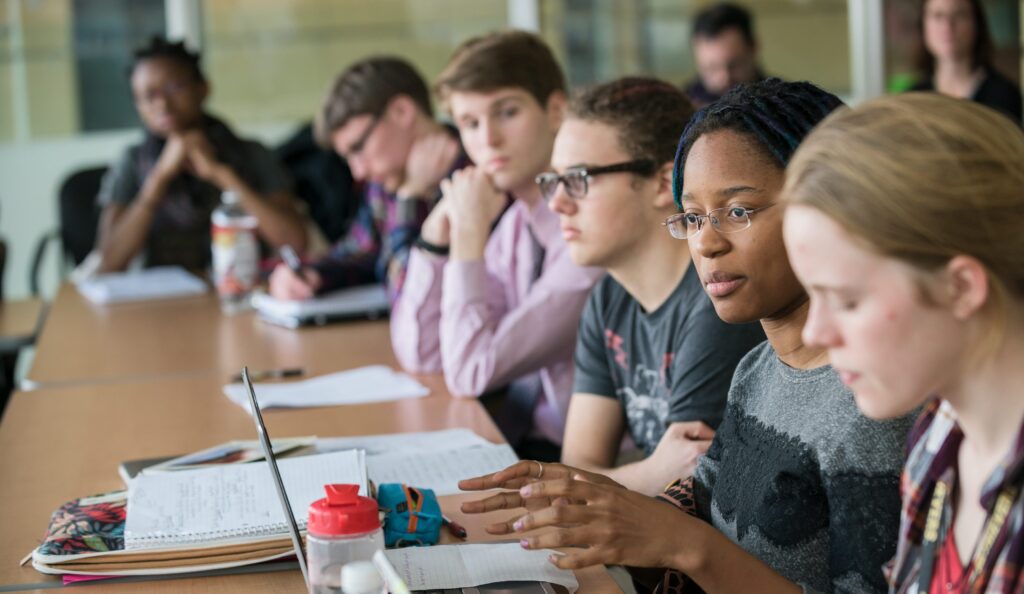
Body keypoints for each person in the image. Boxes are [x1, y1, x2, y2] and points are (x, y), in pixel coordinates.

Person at [459, 79, 916, 594]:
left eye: (737, 212)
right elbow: (697, 505)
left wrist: (682, 544)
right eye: (693, 217)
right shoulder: (759, 368)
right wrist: (575, 500)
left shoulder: (873, 405)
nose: (707, 241)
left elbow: (692, 541)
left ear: (826, 208)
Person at [782, 93, 1024, 594]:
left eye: (846, 299)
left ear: (960, 288)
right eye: (812, 296)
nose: (814, 333)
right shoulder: (938, 434)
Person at [390, 31, 603, 461]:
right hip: (526, 446)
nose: (487, 139)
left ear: (556, 110)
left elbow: (470, 371)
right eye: (469, 123)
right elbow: (424, 353)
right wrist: (435, 239)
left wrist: (468, 238)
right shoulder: (513, 226)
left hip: (592, 465)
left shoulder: (588, 227)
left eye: (506, 112)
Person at [547, 76, 764, 496]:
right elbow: (577, 467)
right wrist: (646, 474)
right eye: (553, 181)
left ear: (665, 185)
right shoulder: (608, 299)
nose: (557, 202)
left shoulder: (717, 296)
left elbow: (684, 483)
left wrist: (648, 477)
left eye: (578, 178)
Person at [97, 37, 307, 273]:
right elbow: (109, 261)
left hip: (241, 289)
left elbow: (295, 242)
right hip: (155, 302)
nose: (163, 105)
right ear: (138, 106)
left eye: (174, 87)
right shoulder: (133, 162)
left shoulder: (251, 153)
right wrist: (159, 178)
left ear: (203, 88)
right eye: (149, 96)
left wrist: (222, 175)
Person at [269, 56, 465, 302]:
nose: (358, 172)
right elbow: (360, 254)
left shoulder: (475, 174)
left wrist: (410, 198)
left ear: (401, 112)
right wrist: (307, 275)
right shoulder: (386, 180)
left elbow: (410, 294)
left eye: (359, 148)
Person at [910, 0, 1022, 122]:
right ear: (923, 25)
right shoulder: (913, 98)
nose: (947, 26)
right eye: (938, 15)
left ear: (977, 24)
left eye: (959, 15)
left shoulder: (1004, 95)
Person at [682, 3, 766, 109]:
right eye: (711, 68)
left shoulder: (786, 105)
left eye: (734, 65)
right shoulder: (681, 109)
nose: (724, 78)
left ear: (754, 48)